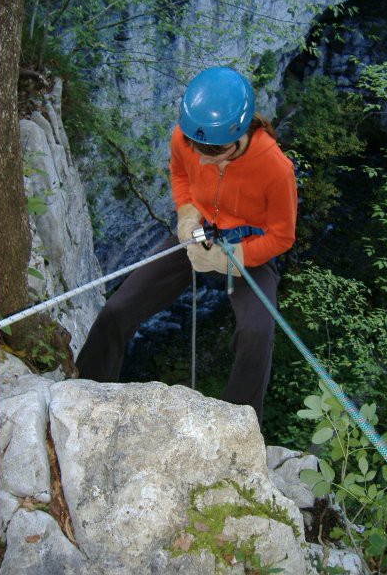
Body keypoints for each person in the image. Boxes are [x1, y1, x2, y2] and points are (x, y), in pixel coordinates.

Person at [76, 66, 297, 424]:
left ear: (239, 134)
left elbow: (282, 235)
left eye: (214, 150)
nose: (204, 158)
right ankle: (83, 387)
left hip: (249, 246)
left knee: (257, 333)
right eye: (198, 147)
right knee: (118, 309)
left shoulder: (275, 167)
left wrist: (234, 259)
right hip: (200, 232)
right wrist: (187, 217)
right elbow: (179, 174)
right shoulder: (186, 138)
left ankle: (236, 424)